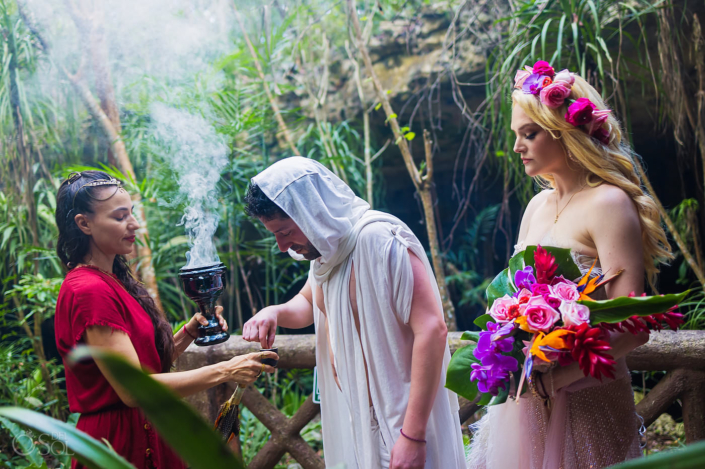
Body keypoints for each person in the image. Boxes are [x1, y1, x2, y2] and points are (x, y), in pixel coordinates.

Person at [467, 61, 673, 468]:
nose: (517, 147)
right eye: (516, 135)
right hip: (524, 403)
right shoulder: (535, 206)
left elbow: (633, 328)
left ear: (566, 133)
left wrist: (556, 379)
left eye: (530, 134)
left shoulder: (609, 203)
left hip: (587, 399)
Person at [241, 157, 466, 468]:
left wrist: (413, 435)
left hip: (409, 419)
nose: (282, 246)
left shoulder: (379, 239)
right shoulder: (325, 255)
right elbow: (310, 305)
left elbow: (431, 328)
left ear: (310, 211)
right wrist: (274, 312)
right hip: (361, 417)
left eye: (285, 231)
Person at [54, 170, 278, 469]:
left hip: (151, 431)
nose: (134, 224)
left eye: (131, 214)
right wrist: (227, 369)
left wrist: (188, 332)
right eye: (120, 217)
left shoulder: (113, 281)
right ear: (84, 224)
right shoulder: (89, 289)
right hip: (120, 444)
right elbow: (135, 390)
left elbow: (147, 366)